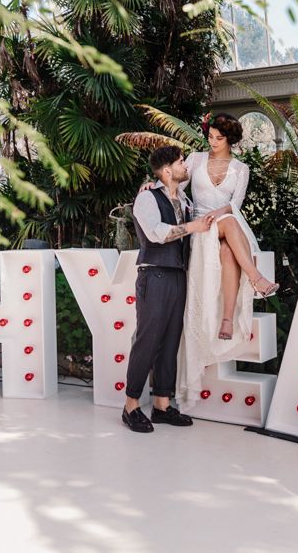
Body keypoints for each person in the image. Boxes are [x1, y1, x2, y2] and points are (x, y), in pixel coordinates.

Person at [175, 112, 279, 409]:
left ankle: (226, 318)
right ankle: (256, 278)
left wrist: (219, 214)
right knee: (230, 228)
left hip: (225, 223)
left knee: (227, 248)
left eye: (219, 139)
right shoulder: (194, 159)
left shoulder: (240, 168)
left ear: (230, 139)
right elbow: (175, 188)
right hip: (200, 227)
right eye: (210, 137)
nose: (213, 143)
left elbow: (235, 204)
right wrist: (152, 187)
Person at [122, 145, 214, 433]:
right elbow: (157, 233)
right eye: (179, 162)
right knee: (147, 341)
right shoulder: (146, 198)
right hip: (155, 276)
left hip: (178, 276)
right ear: (166, 171)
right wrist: (192, 227)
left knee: (171, 342)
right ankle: (131, 406)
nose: (184, 165)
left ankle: (162, 405)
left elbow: (195, 172)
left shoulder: (184, 200)